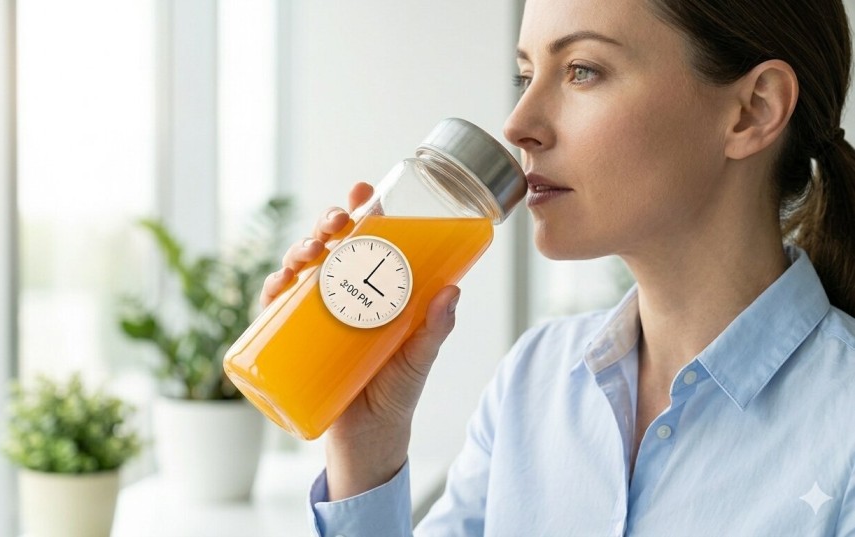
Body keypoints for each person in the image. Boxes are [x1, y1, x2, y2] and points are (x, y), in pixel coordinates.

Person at [260, 0, 855, 534]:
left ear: (753, 110)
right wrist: (365, 451)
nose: (518, 125)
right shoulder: (532, 380)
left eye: (582, 70)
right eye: (525, 75)